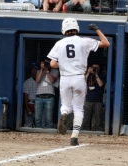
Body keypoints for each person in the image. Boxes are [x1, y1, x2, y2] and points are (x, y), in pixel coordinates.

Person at [47, 17, 110, 146]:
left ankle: (64, 113)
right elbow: (106, 43)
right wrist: (97, 29)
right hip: (79, 78)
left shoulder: (59, 43)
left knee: (66, 106)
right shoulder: (84, 41)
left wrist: (64, 64)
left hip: (65, 77)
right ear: (76, 28)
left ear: (64, 29)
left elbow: (53, 64)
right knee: (78, 109)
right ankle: (74, 137)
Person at [35, 59, 59, 128]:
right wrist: (42, 69)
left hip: (49, 97)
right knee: (37, 118)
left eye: (47, 63)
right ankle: (38, 132)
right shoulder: (39, 71)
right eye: (45, 63)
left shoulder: (55, 71)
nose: (46, 65)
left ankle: (49, 134)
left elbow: (52, 80)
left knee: (49, 118)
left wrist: (47, 70)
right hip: (39, 97)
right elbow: (37, 80)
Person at [82, 63, 106, 131]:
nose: (95, 69)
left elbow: (101, 84)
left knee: (98, 117)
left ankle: (99, 130)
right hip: (88, 99)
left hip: (98, 100)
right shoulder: (88, 76)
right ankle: (85, 130)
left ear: (99, 69)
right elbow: (82, 83)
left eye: (96, 68)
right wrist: (87, 73)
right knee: (86, 117)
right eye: (93, 67)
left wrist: (96, 74)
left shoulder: (101, 75)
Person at [23, 62, 39, 127]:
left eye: (35, 69)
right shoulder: (27, 82)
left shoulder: (41, 81)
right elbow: (26, 95)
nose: (34, 71)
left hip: (39, 104)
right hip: (30, 103)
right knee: (27, 125)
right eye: (32, 69)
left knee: (41, 125)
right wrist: (27, 107)